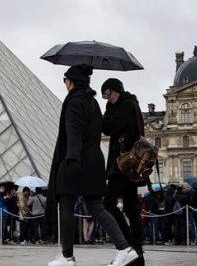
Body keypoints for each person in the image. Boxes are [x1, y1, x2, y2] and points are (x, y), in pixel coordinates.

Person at [46, 64, 138, 266]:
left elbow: (74, 134)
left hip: (76, 160)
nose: (64, 83)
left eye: (65, 80)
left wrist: (72, 161)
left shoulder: (74, 102)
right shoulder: (92, 102)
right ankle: (124, 248)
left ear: (71, 81)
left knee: (66, 205)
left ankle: (67, 256)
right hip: (95, 160)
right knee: (97, 207)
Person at [99, 78, 149, 264]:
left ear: (117, 90)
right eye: (104, 94)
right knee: (130, 206)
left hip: (123, 163)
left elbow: (108, 127)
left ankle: (128, 242)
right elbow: (108, 128)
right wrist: (109, 109)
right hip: (129, 164)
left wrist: (107, 112)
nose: (107, 97)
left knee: (109, 203)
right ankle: (137, 251)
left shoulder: (126, 105)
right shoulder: (127, 104)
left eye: (108, 93)